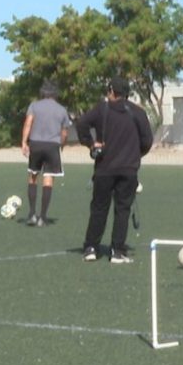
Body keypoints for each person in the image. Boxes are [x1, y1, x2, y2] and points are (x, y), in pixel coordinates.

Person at [76, 77, 153, 264]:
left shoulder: (102, 109)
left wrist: (90, 143)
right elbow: (147, 141)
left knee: (99, 208)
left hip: (104, 168)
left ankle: (91, 248)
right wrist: (136, 156)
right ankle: (117, 251)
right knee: (123, 209)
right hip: (129, 169)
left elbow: (81, 124)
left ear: (111, 91)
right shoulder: (138, 112)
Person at [21, 80, 71, 226]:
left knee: (33, 176)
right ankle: (42, 217)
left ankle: (31, 214)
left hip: (35, 144)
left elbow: (28, 123)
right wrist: (61, 144)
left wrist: (24, 142)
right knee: (48, 178)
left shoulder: (34, 106)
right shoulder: (62, 110)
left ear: (43, 93)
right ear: (56, 94)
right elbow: (65, 132)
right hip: (52, 146)